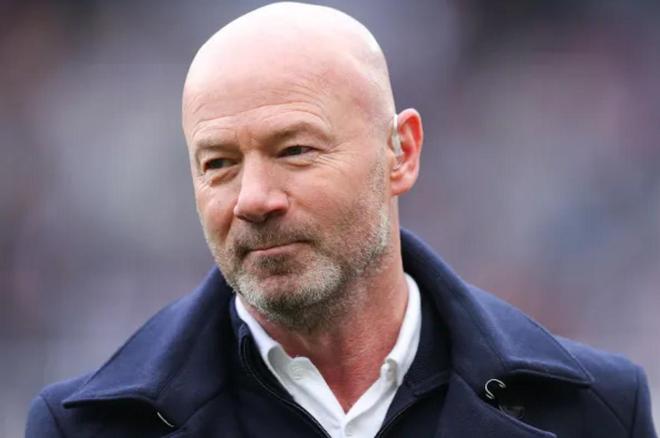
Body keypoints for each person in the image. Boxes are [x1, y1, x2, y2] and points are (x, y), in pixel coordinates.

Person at [26, 2, 656, 437]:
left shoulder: (595, 411)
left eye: (295, 150)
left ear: (400, 153)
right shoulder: (84, 428)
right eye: (219, 163)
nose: (253, 198)